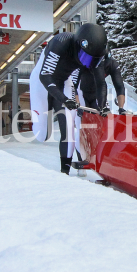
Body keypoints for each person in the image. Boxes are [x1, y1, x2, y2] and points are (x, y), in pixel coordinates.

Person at [30, 23, 109, 174]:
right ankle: (42, 121)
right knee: (42, 134)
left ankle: (64, 172)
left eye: (94, 60)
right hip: (42, 82)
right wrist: (63, 99)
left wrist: (102, 105)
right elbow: (45, 75)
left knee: (69, 127)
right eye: (86, 57)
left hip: (65, 82)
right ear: (79, 45)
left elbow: (101, 83)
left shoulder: (97, 54)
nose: (89, 63)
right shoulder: (61, 41)